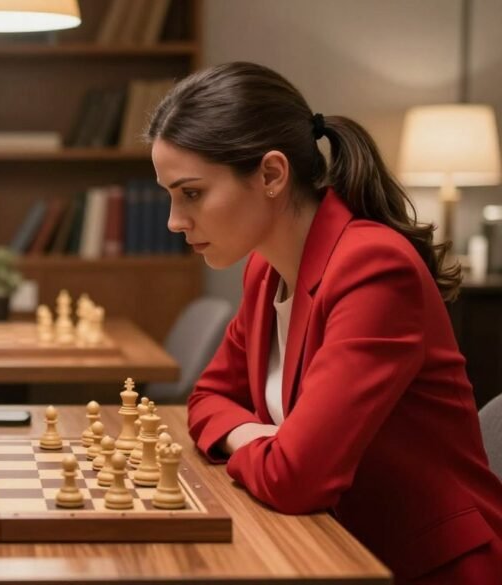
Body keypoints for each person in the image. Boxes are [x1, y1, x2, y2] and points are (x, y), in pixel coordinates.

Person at [149, 62, 502, 583]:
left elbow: (297, 479)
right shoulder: (265, 270)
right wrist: (258, 439)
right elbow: (206, 398)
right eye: (170, 196)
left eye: (192, 193)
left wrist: (251, 442)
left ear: (272, 174)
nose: (175, 221)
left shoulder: (374, 268)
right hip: (325, 547)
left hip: (422, 567)